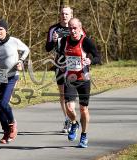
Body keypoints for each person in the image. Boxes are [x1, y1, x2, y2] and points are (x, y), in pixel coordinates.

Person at [58, 18, 101, 148]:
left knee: (83, 109)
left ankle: (84, 135)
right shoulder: (65, 41)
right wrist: (61, 65)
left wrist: (90, 61)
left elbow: (98, 57)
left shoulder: (86, 41)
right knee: (69, 107)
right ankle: (74, 123)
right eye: (70, 28)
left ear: (80, 28)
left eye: (75, 28)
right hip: (70, 78)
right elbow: (60, 55)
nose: (72, 30)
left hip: (84, 79)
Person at [0, 19, 30, 144]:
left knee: (4, 103)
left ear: (6, 30)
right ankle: (6, 132)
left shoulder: (14, 41)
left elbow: (26, 50)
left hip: (12, 75)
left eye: (1, 29)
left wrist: (21, 61)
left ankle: (12, 124)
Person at [45, 6, 74, 133]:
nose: (64, 16)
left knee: (71, 94)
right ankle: (67, 119)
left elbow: (84, 43)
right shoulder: (53, 29)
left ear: (71, 15)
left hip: (74, 64)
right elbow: (47, 48)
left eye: (67, 14)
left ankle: (73, 118)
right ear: (59, 15)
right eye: (62, 14)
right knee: (62, 94)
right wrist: (54, 41)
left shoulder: (77, 26)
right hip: (60, 63)